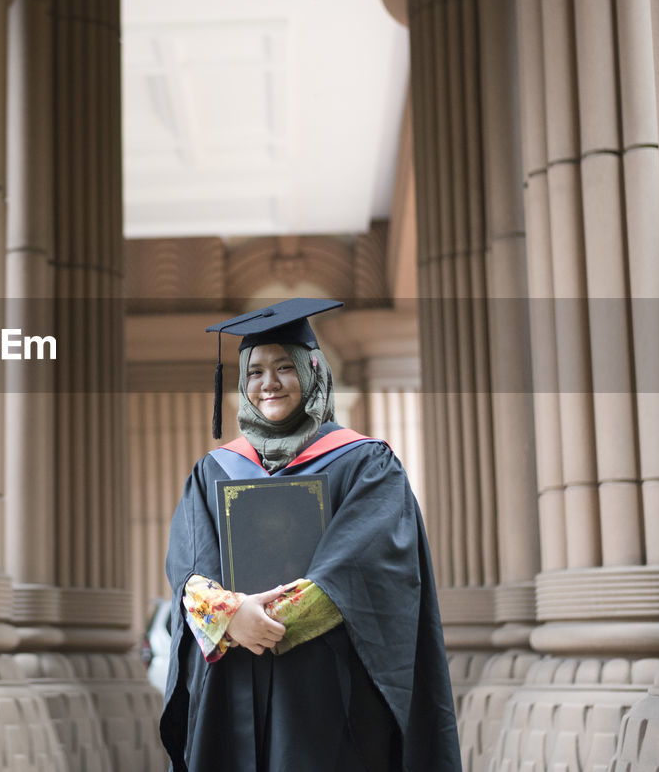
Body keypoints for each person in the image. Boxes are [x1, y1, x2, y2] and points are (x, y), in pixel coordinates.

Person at [158, 298, 461, 772]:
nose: (268, 383)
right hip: (232, 685)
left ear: (313, 371)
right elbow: (190, 567)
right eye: (255, 371)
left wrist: (263, 621)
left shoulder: (365, 463)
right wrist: (232, 614)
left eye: (284, 367)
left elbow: (361, 564)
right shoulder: (213, 472)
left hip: (324, 690)